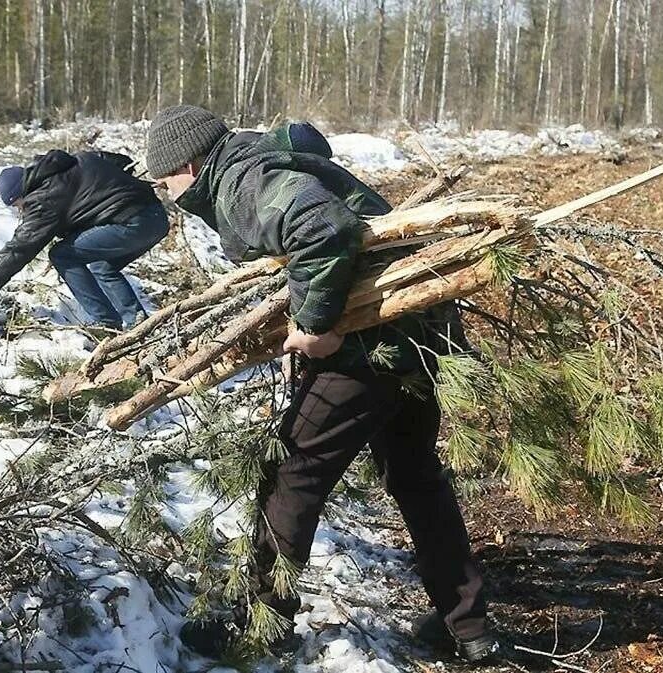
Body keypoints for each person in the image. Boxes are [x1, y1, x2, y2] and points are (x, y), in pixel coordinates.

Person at [145, 105, 498, 664]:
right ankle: (469, 627)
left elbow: (323, 227)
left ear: (188, 163)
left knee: (291, 475)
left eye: (166, 180)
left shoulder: (241, 182)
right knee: (416, 476)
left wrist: (315, 328)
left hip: (369, 347)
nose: (167, 193)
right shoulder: (262, 161)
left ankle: (262, 622)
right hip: (423, 335)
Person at [0, 149, 168, 331]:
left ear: (20, 194)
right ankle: (138, 322)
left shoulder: (42, 199)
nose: (20, 210)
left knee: (62, 255)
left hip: (132, 224)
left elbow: (19, 249)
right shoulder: (78, 159)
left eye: (17, 205)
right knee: (102, 265)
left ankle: (106, 324)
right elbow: (120, 161)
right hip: (156, 218)